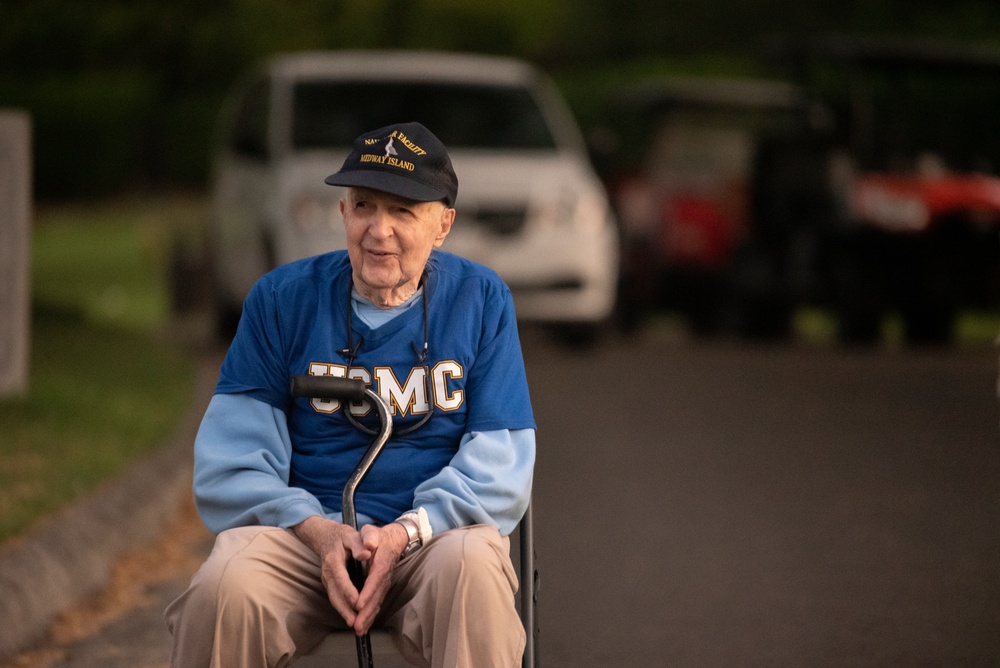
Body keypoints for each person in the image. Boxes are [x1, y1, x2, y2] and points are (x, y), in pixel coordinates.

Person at [165, 121, 536, 668]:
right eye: (364, 206)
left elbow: (503, 462)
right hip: (303, 537)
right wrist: (317, 532)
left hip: (432, 542)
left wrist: (407, 533)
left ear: (443, 225)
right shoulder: (280, 300)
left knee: (475, 571)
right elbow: (231, 462)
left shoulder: (481, 300)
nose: (378, 230)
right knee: (227, 585)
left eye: (403, 211)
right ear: (343, 213)